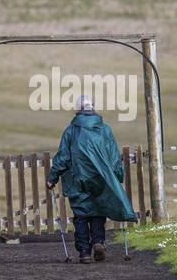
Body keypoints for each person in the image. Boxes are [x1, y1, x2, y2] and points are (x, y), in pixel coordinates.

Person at [45, 95, 138, 262]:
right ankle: (98, 242)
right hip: (100, 179)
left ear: (77, 110)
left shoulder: (71, 131)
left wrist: (52, 177)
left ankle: (84, 252)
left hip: (77, 179)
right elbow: (113, 157)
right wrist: (117, 176)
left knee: (81, 215)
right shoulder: (105, 130)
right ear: (92, 108)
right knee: (98, 211)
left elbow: (63, 157)